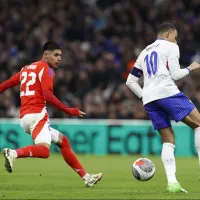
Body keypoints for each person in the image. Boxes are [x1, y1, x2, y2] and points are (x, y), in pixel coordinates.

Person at [0, 41, 102, 187]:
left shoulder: (26, 69)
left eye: (60, 56)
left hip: (24, 118)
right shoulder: (47, 70)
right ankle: (13, 153)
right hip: (37, 115)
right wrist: (69, 110)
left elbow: (7, 84)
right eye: (56, 55)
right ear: (45, 55)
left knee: (63, 141)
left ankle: (86, 178)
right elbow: (48, 96)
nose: (59, 58)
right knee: (44, 151)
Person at [126, 22, 200, 193]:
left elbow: (130, 81)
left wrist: (145, 95)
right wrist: (191, 68)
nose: (176, 40)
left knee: (168, 140)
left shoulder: (144, 52)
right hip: (167, 92)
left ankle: (172, 183)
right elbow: (175, 74)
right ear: (168, 35)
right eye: (175, 36)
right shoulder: (171, 46)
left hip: (150, 99)